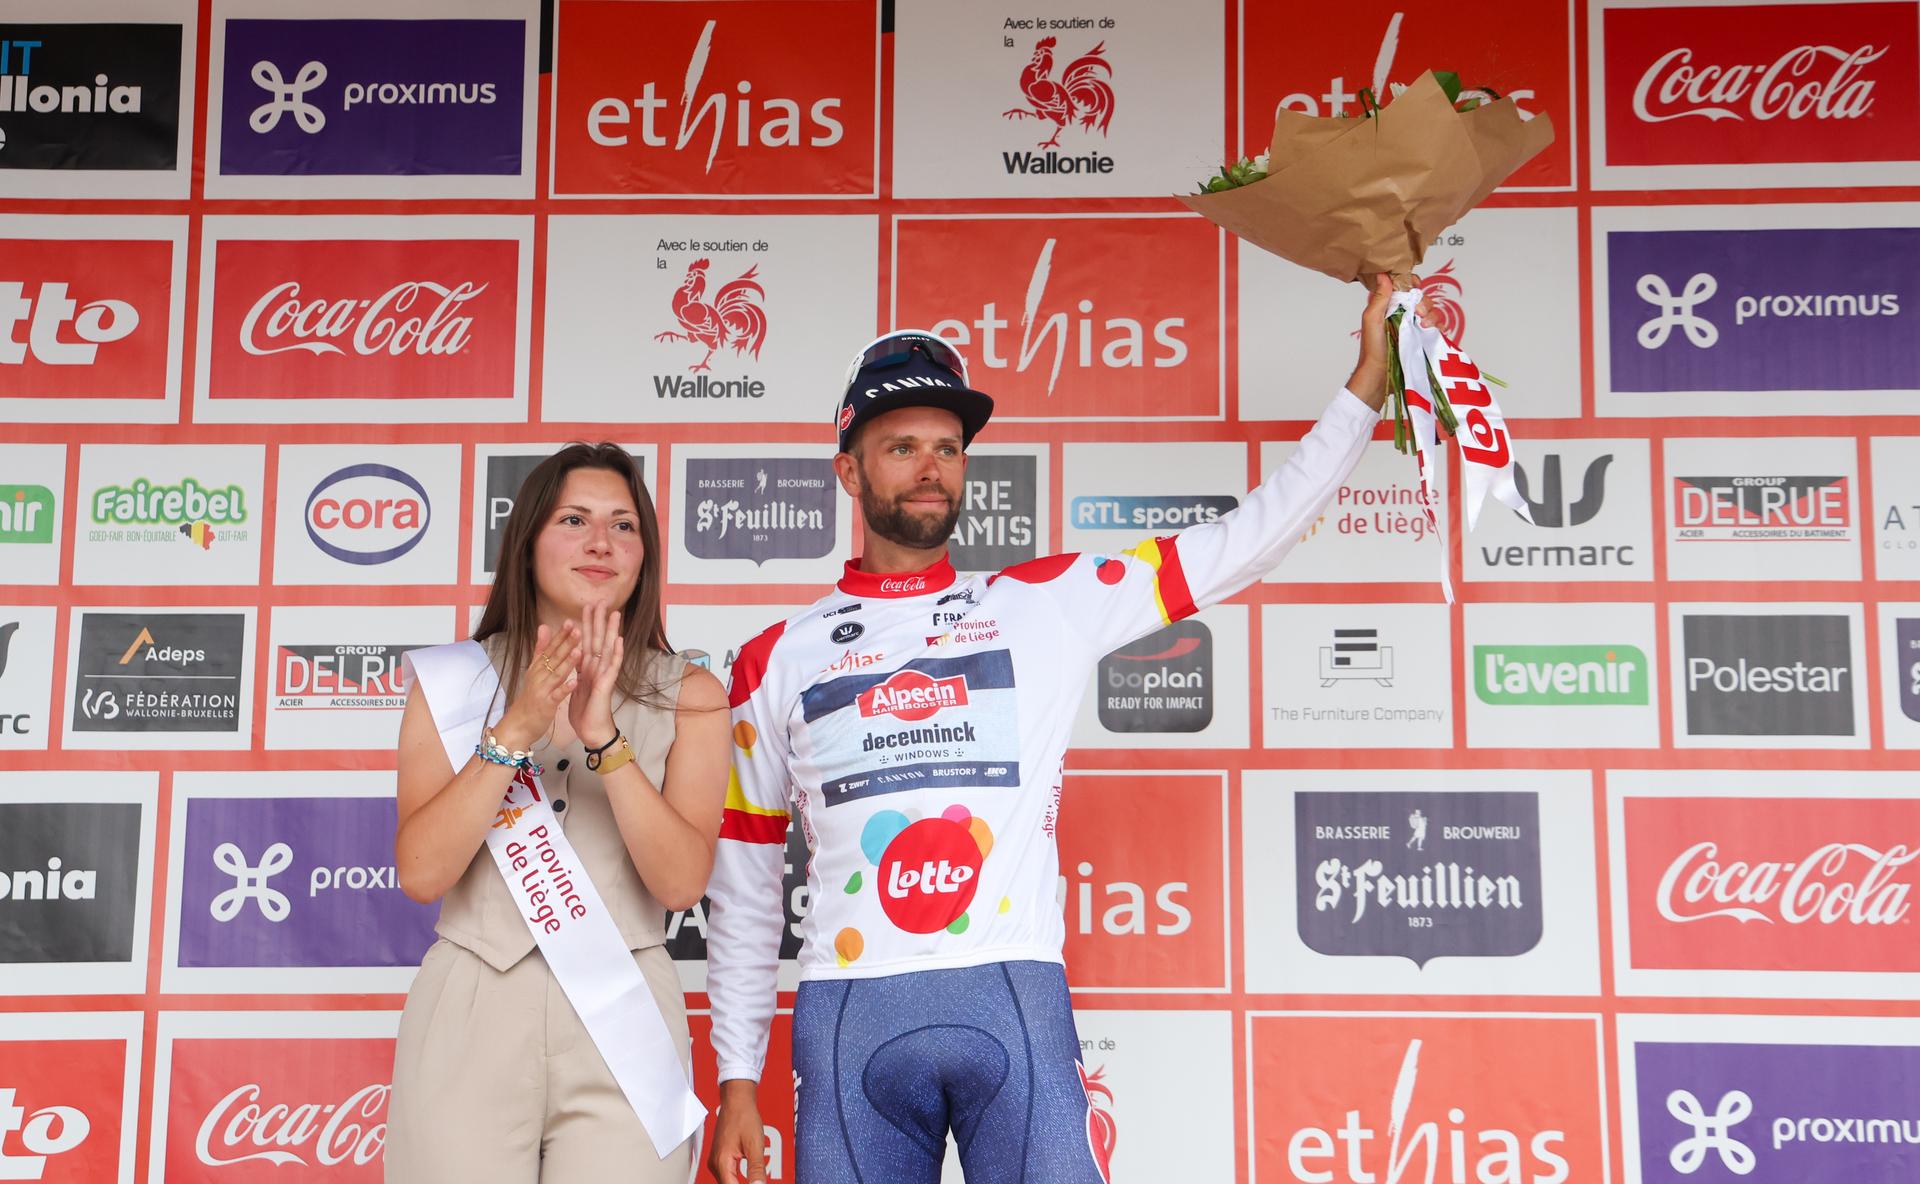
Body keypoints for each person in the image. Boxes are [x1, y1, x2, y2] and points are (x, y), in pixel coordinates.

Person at [703, 276, 1438, 1182]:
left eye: (947, 447)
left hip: (1014, 994)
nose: (931, 467)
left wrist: (1366, 384)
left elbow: (1252, 537)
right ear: (850, 470)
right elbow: (741, 890)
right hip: (850, 1018)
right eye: (901, 447)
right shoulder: (775, 656)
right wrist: (738, 1080)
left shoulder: (1044, 603)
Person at [386, 443, 731, 1183]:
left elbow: (680, 885)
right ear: (529, 540)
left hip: (627, 1012)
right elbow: (421, 871)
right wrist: (514, 731)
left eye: (624, 525)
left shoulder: (691, 693)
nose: (601, 542)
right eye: (574, 519)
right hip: (472, 1001)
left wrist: (605, 737)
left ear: (646, 553)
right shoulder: (453, 681)